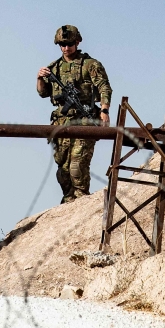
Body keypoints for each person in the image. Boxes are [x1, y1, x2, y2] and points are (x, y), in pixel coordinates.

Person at [36, 25, 113, 203]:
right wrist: (39, 78)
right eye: (62, 44)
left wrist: (104, 110)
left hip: (84, 121)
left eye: (69, 43)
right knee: (63, 170)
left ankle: (81, 200)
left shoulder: (90, 65)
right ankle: (69, 201)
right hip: (61, 123)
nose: (66, 48)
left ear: (77, 42)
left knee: (77, 167)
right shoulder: (53, 68)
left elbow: (104, 87)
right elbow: (42, 93)